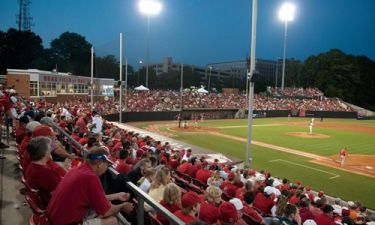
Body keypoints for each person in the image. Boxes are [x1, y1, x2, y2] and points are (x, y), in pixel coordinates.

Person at [47, 147, 134, 225]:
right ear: (99, 164)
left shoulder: (77, 169)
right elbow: (106, 211)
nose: (106, 170)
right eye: (107, 165)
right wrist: (122, 206)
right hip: (63, 222)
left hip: (52, 217)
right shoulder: (91, 178)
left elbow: (95, 198)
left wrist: (117, 196)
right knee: (112, 221)